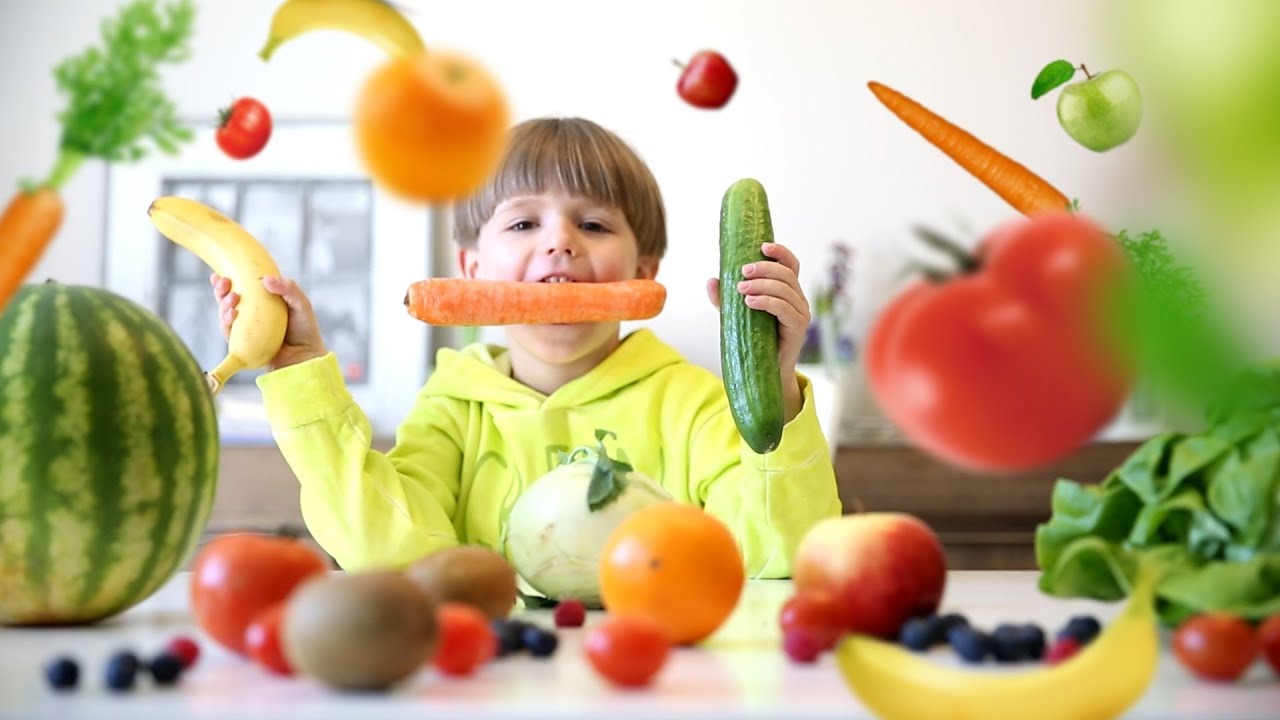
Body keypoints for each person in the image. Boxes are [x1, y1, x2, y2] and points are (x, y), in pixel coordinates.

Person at [211, 116, 842, 578]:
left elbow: (779, 557)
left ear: (645, 271)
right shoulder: (453, 410)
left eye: (593, 224)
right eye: (522, 224)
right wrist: (303, 383)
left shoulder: (696, 404)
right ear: (472, 268)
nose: (560, 242)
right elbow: (386, 551)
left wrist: (777, 388)